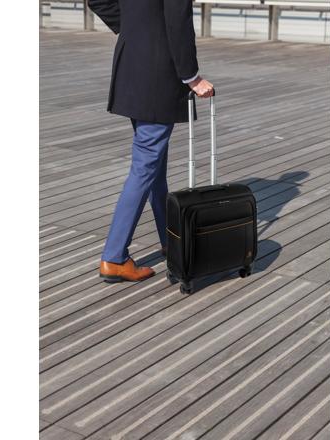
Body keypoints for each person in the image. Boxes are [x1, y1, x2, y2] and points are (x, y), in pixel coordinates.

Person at [88, 0, 214, 283]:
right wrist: (192, 77)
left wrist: (134, 27)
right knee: (146, 164)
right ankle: (114, 257)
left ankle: (169, 239)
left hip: (130, 64)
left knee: (154, 163)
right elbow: (178, 22)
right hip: (158, 72)